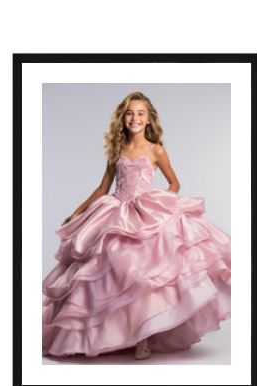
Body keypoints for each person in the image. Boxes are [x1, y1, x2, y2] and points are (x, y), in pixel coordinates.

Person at [42, 91, 231, 361]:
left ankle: (144, 337)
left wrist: (161, 204)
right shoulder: (117, 150)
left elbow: (174, 183)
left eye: (141, 113)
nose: (135, 118)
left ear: (149, 118)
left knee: (144, 277)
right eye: (130, 113)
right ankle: (106, 334)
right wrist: (77, 211)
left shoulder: (156, 150)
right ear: (123, 117)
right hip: (116, 212)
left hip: (145, 213)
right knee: (109, 275)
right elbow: (103, 188)